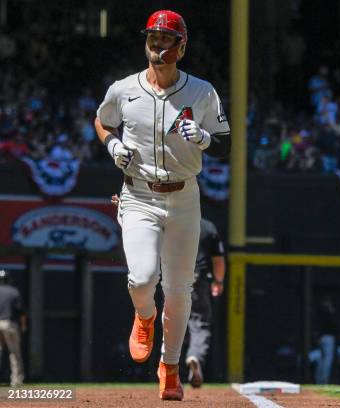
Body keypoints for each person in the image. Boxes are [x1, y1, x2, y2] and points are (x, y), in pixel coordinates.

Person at [95, 10, 231, 401]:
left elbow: (227, 142)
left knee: (178, 289)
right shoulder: (125, 88)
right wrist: (112, 144)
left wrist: (204, 136)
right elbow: (102, 121)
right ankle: (144, 316)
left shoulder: (202, 91)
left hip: (184, 196)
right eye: (153, 38)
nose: (157, 45)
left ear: (181, 47)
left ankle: (169, 367)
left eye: (166, 39)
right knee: (142, 279)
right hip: (138, 194)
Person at [185, 218, 226, 388]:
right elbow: (218, 261)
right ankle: (195, 356)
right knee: (199, 324)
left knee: (171, 323)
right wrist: (218, 281)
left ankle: (168, 368)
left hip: (171, 278)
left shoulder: (170, 219)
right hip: (196, 279)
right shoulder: (208, 227)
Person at [0, 270, 26, 387]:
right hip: (9, 324)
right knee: (14, 353)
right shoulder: (13, 291)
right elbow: (21, 311)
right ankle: (16, 381)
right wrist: (24, 325)